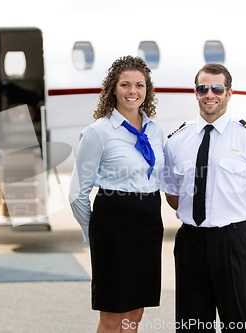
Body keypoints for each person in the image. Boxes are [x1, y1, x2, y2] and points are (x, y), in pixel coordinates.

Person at [162, 63, 246, 332]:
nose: (210, 94)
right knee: (192, 326)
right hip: (190, 244)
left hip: (233, 243)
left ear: (228, 93)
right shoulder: (176, 140)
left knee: (242, 324)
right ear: (195, 93)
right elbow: (173, 195)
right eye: (202, 88)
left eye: (217, 88)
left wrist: (234, 220)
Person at [69, 55, 165, 333]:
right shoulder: (99, 132)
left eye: (139, 85)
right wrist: (96, 233)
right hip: (113, 228)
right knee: (112, 317)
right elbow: (77, 193)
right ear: (113, 89)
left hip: (148, 225)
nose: (132, 91)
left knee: (134, 313)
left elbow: (167, 175)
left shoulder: (156, 131)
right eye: (125, 85)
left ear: (147, 91)